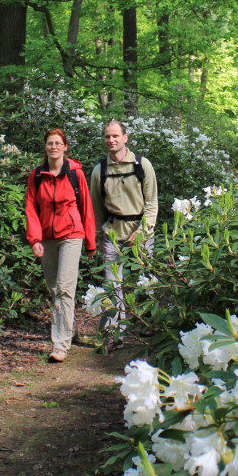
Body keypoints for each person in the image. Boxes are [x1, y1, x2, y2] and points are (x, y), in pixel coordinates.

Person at [24, 128, 96, 363]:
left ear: (65, 147)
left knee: (65, 289)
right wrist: (34, 239)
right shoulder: (36, 176)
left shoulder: (76, 174)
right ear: (45, 147)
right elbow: (31, 209)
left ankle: (60, 345)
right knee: (55, 289)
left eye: (58, 143)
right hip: (46, 236)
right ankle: (70, 328)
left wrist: (91, 243)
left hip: (72, 235)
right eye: (49, 143)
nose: (53, 147)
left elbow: (86, 207)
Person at [89, 120, 158, 346]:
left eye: (115, 136)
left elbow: (152, 203)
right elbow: (96, 208)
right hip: (112, 233)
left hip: (140, 231)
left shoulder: (142, 165)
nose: (111, 140)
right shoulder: (100, 170)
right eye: (108, 136)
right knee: (112, 284)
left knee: (145, 280)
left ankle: (147, 323)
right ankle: (115, 332)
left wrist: (142, 230)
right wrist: (100, 236)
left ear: (125, 138)